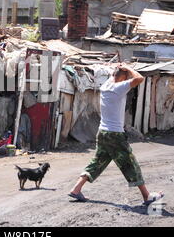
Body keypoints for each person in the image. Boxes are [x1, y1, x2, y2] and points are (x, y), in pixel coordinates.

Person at [68, 63, 163, 205]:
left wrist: (121, 69)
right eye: (126, 77)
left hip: (103, 132)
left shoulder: (105, 86)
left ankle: (76, 189)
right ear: (122, 77)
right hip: (115, 134)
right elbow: (139, 78)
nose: (128, 80)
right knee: (131, 164)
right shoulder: (118, 88)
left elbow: (116, 76)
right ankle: (147, 197)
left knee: (97, 162)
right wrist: (129, 68)